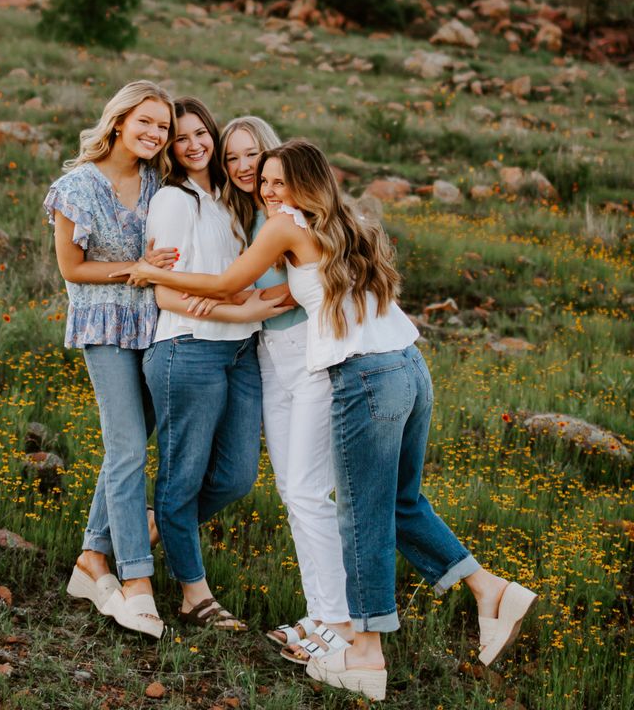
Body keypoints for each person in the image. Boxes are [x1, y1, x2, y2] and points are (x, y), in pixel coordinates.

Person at [115, 139, 538, 699]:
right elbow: (270, 293)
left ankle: (364, 652)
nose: (267, 190)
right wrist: (219, 299)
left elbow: (223, 283)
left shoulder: (285, 226)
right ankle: (489, 590)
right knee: (399, 502)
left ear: (305, 184)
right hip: (409, 366)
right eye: (263, 181)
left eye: (278, 181)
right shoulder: (349, 224)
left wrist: (149, 274)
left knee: (361, 515)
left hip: (365, 377)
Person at [142, 98, 284, 631]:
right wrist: (237, 305)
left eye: (203, 134)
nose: (195, 144)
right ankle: (193, 594)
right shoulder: (175, 200)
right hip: (189, 349)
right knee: (182, 479)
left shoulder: (228, 199)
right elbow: (163, 293)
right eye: (182, 138)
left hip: (240, 351)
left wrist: (240, 303)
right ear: (171, 150)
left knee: (235, 477)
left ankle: (153, 527)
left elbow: (242, 273)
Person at [43, 79, 177, 639]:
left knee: (131, 446)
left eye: (163, 126)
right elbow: (71, 269)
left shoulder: (160, 184)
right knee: (125, 448)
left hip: (154, 323)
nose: (155, 133)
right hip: (104, 324)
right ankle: (135, 584)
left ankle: (91, 560)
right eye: (145, 121)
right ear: (119, 120)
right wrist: (138, 270)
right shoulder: (76, 187)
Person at [220, 117, 350, 663]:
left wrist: (223, 300)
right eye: (234, 158)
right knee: (294, 494)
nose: (246, 167)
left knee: (306, 491)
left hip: (307, 352)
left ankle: (339, 622)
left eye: (255, 155)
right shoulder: (250, 213)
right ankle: (320, 614)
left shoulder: (287, 216)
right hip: (271, 357)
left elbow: (287, 296)